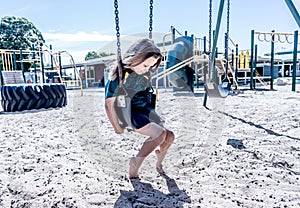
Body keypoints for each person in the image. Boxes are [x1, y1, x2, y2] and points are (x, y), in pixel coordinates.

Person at [104, 38, 175, 179]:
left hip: (144, 109)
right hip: (129, 112)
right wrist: (116, 126)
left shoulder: (144, 72)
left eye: (150, 66)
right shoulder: (118, 76)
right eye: (145, 65)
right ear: (135, 57)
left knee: (169, 136)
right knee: (160, 134)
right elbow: (108, 104)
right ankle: (135, 164)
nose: (147, 70)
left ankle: (159, 162)